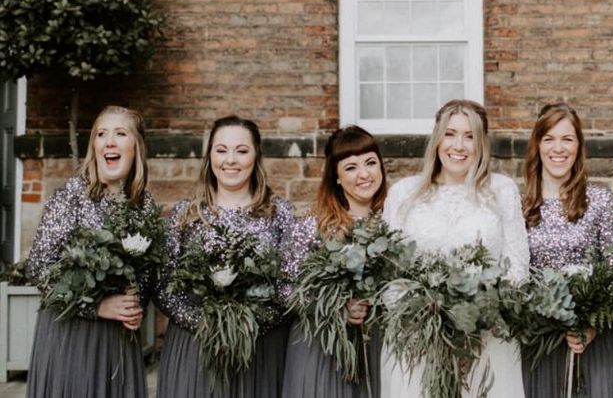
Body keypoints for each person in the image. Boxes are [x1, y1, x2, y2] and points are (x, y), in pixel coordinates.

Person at [380, 99, 529, 398]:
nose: (459, 145)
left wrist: (477, 326)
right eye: (450, 133)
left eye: (470, 136)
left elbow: (517, 268)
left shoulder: (502, 191)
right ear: (437, 138)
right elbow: (390, 272)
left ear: (482, 144)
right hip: (419, 342)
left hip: (485, 344)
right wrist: (429, 327)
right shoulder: (405, 194)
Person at [155, 115, 301, 397]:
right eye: (221, 150)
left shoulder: (280, 213)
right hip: (195, 345)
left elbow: (292, 283)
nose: (230, 160)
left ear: (256, 156)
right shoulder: (186, 214)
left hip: (260, 349)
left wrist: (248, 324)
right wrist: (208, 324)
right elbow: (163, 283)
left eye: (241, 151)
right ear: (209, 156)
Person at [26, 105, 155, 398]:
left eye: (120, 133)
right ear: (94, 147)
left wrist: (136, 303)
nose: (109, 141)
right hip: (72, 335)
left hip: (119, 341)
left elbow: (148, 270)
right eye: (101, 134)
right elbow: (38, 268)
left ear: (136, 147)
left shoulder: (144, 204)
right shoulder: (72, 194)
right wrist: (96, 307)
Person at [521, 102, 613, 397]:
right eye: (549, 139)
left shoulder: (601, 201)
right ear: (537, 145)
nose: (558, 148)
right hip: (539, 341)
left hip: (590, 340)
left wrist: (591, 325)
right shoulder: (520, 205)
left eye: (567, 139)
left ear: (579, 146)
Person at [282, 125, 388, 398]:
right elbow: (286, 289)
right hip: (323, 352)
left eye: (370, 163)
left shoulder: (395, 220)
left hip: (379, 347)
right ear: (336, 177)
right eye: (351, 167)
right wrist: (337, 308)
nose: (364, 174)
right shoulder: (313, 224)